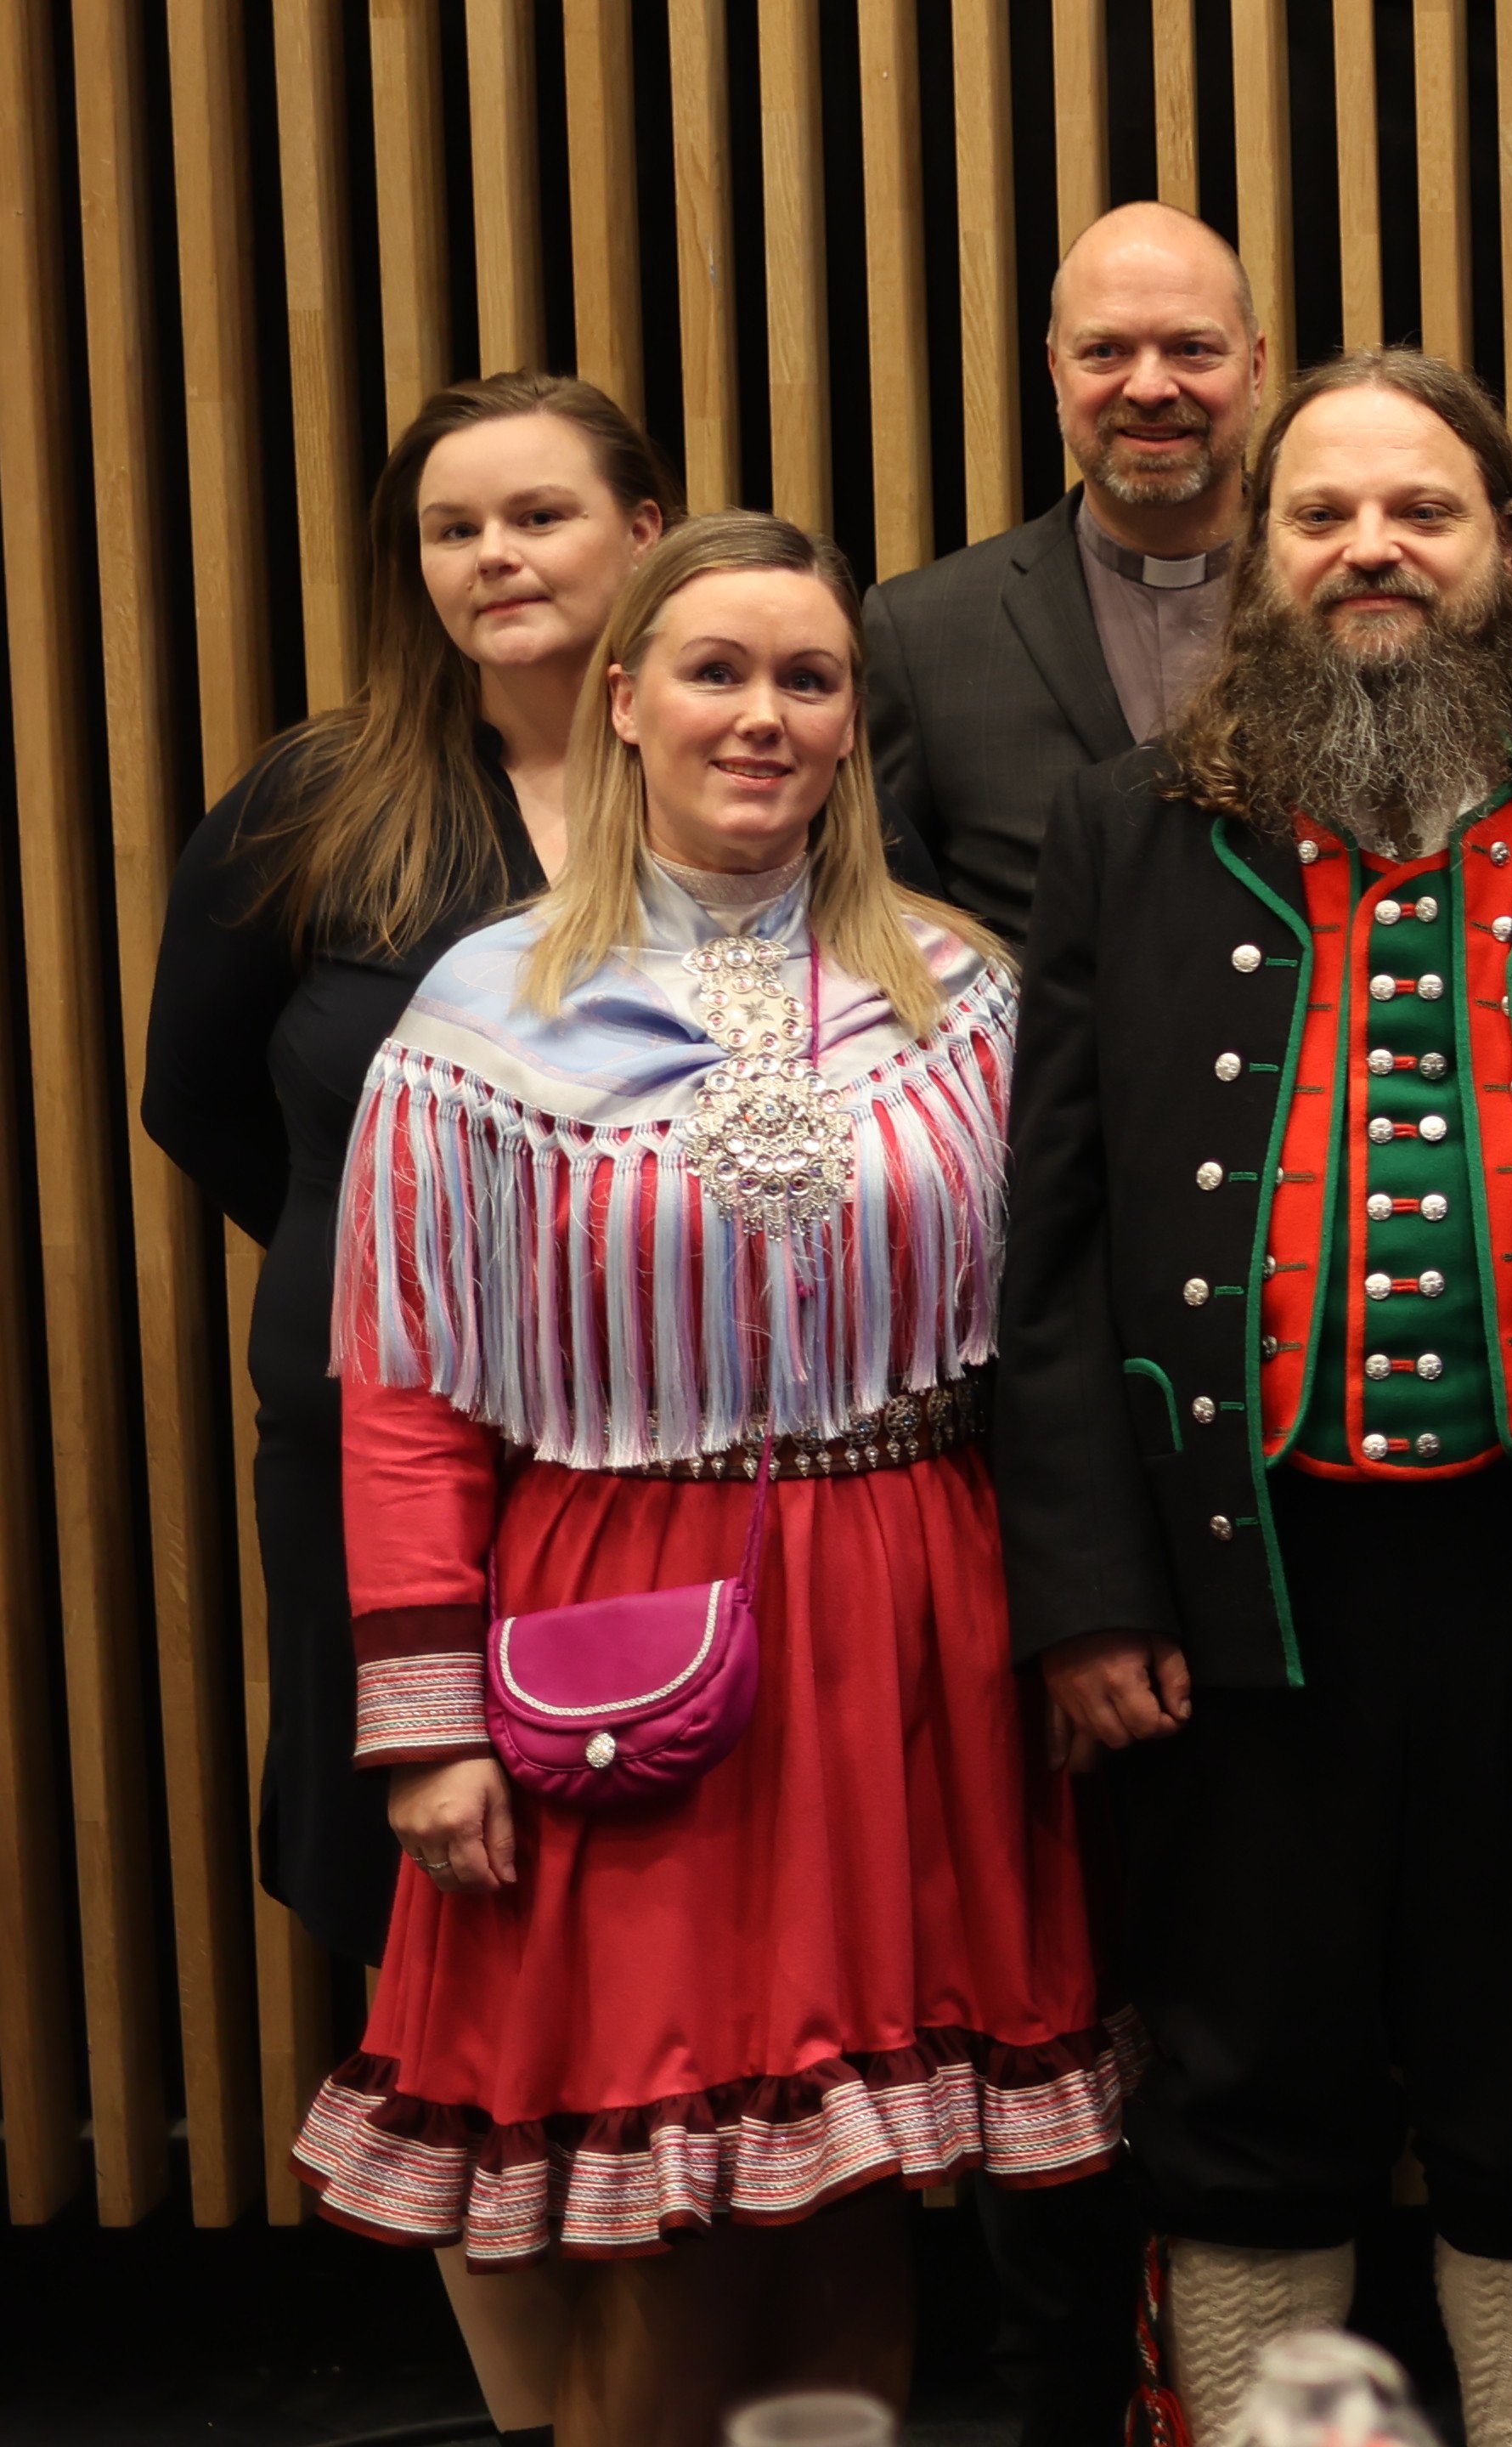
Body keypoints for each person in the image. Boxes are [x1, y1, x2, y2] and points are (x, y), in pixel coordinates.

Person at [293, 514, 1121, 2446]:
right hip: (619, 1625)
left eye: (807, 679)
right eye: (717, 672)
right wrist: (426, 1724)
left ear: (853, 724)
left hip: (916, 1620)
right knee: (663, 2213)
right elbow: (408, 1397)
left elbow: (1056, 1347)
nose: (761, 715)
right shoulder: (485, 1013)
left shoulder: (961, 993)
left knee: (856, 2199)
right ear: (626, 701)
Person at [992, 351, 1512, 2447]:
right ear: (1260, 563)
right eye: (1321, 513)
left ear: (1504, 554)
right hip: (1236, 1595)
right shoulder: (1130, 829)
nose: (1371, 545)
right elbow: (1054, 1249)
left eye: (1422, 511)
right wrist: (1093, 1593)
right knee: (1243, 2077)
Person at [144, 371, 672, 2447]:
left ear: (642, 528)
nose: (497, 563)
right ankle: (543, 2424)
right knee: (438, 1953)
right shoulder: (314, 803)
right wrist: (409, 1303)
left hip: (655, 1475)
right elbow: (202, 1103)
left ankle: (656, 2404)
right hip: (380, 1470)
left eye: (540, 516)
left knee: (643, 1946)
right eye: (456, 531)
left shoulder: (733, 763)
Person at [866, 199, 1272, 932]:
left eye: (1192, 349)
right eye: (1105, 352)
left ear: (1257, 367)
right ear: (1056, 371)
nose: (1150, 387)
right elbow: (888, 929)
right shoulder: (919, 634)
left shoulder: (1345, 604)